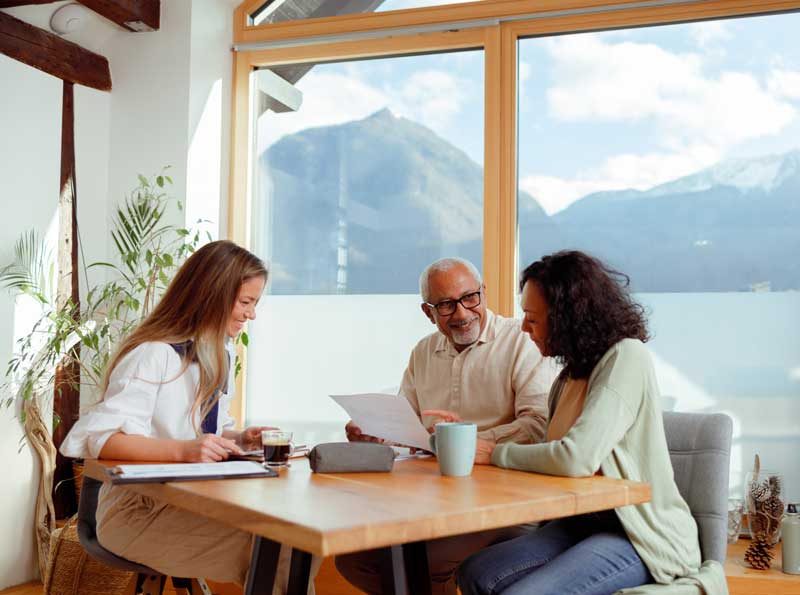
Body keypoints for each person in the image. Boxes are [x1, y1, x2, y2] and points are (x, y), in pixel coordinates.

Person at [457, 250, 728, 595]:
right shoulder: (568, 377)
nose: (523, 328)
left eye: (532, 318)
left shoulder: (626, 357)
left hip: (637, 535)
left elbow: (575, 457)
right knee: (476, 573)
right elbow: (546, 448)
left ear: (568, 317)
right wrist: (469, 437)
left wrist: (495, 453)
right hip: (579, 524)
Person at [60, 240, 320, 594]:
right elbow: (100, 440)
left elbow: (202, 430)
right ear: (212, 294)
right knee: (285, 550)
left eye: (255, 304)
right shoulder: (154, 355)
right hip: (135, 512)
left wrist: (240, 438)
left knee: (299, 542)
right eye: (246, 302)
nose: (251, 314)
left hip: (186, 502)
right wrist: (184, 451)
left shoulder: (219, 354)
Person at [337, 257, 559, 595]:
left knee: (420, 560)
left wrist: (459, 441)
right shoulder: (423, 352)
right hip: (432, 500)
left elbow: (537, 425)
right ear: (428, 312)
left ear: (484, 293)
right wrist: (375, 433)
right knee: (353, 559)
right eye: (446, 305)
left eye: (470, 297)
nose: (461, 313)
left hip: (503, 503)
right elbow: (406, 426)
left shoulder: (522, 341)